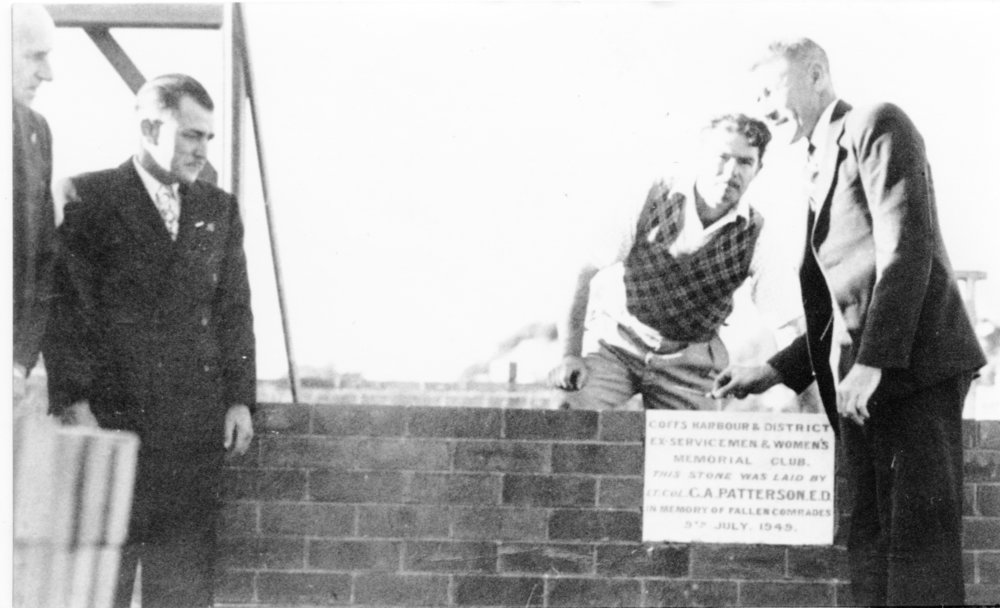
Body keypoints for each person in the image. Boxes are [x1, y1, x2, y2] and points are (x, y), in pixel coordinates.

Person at [711, 38, 986, 606]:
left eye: (770, 90)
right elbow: (838, 304)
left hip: (912, 373)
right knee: (872, 541)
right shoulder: (817, 160)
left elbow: (906, 248)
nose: (764, 108)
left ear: (816, 74)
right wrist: (776, 370)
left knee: (919, 548)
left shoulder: (876, 123)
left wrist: (873, 362)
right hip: (862, 386)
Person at [45, 74, 256, 608]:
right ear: (149, 128)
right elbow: (66, 311)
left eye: (208, 137)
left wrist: (239, 399)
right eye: (190, 135)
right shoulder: (87, 197)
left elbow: (233, 309)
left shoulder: (218, 208)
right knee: (102, 581)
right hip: (114, 421)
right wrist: (73, 400)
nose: (201, 150)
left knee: (183, 584)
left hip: (192, 429)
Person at [549, 113, 771, 410]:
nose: (731, 171)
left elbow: (787, 319)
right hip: (617, 343)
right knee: (566, 408)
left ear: (758, 169)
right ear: (701, 156)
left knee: (697, 441)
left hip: (690, 363)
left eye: (745, 162)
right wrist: (569, 354)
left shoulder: (758, 232)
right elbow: (581, 269)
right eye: (722, 157)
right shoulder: (651, 195)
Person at [12, 4, 57, 410]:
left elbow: (44, 260)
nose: (48, 73)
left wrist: (18, 363)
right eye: (35, 56)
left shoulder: (36, 132)